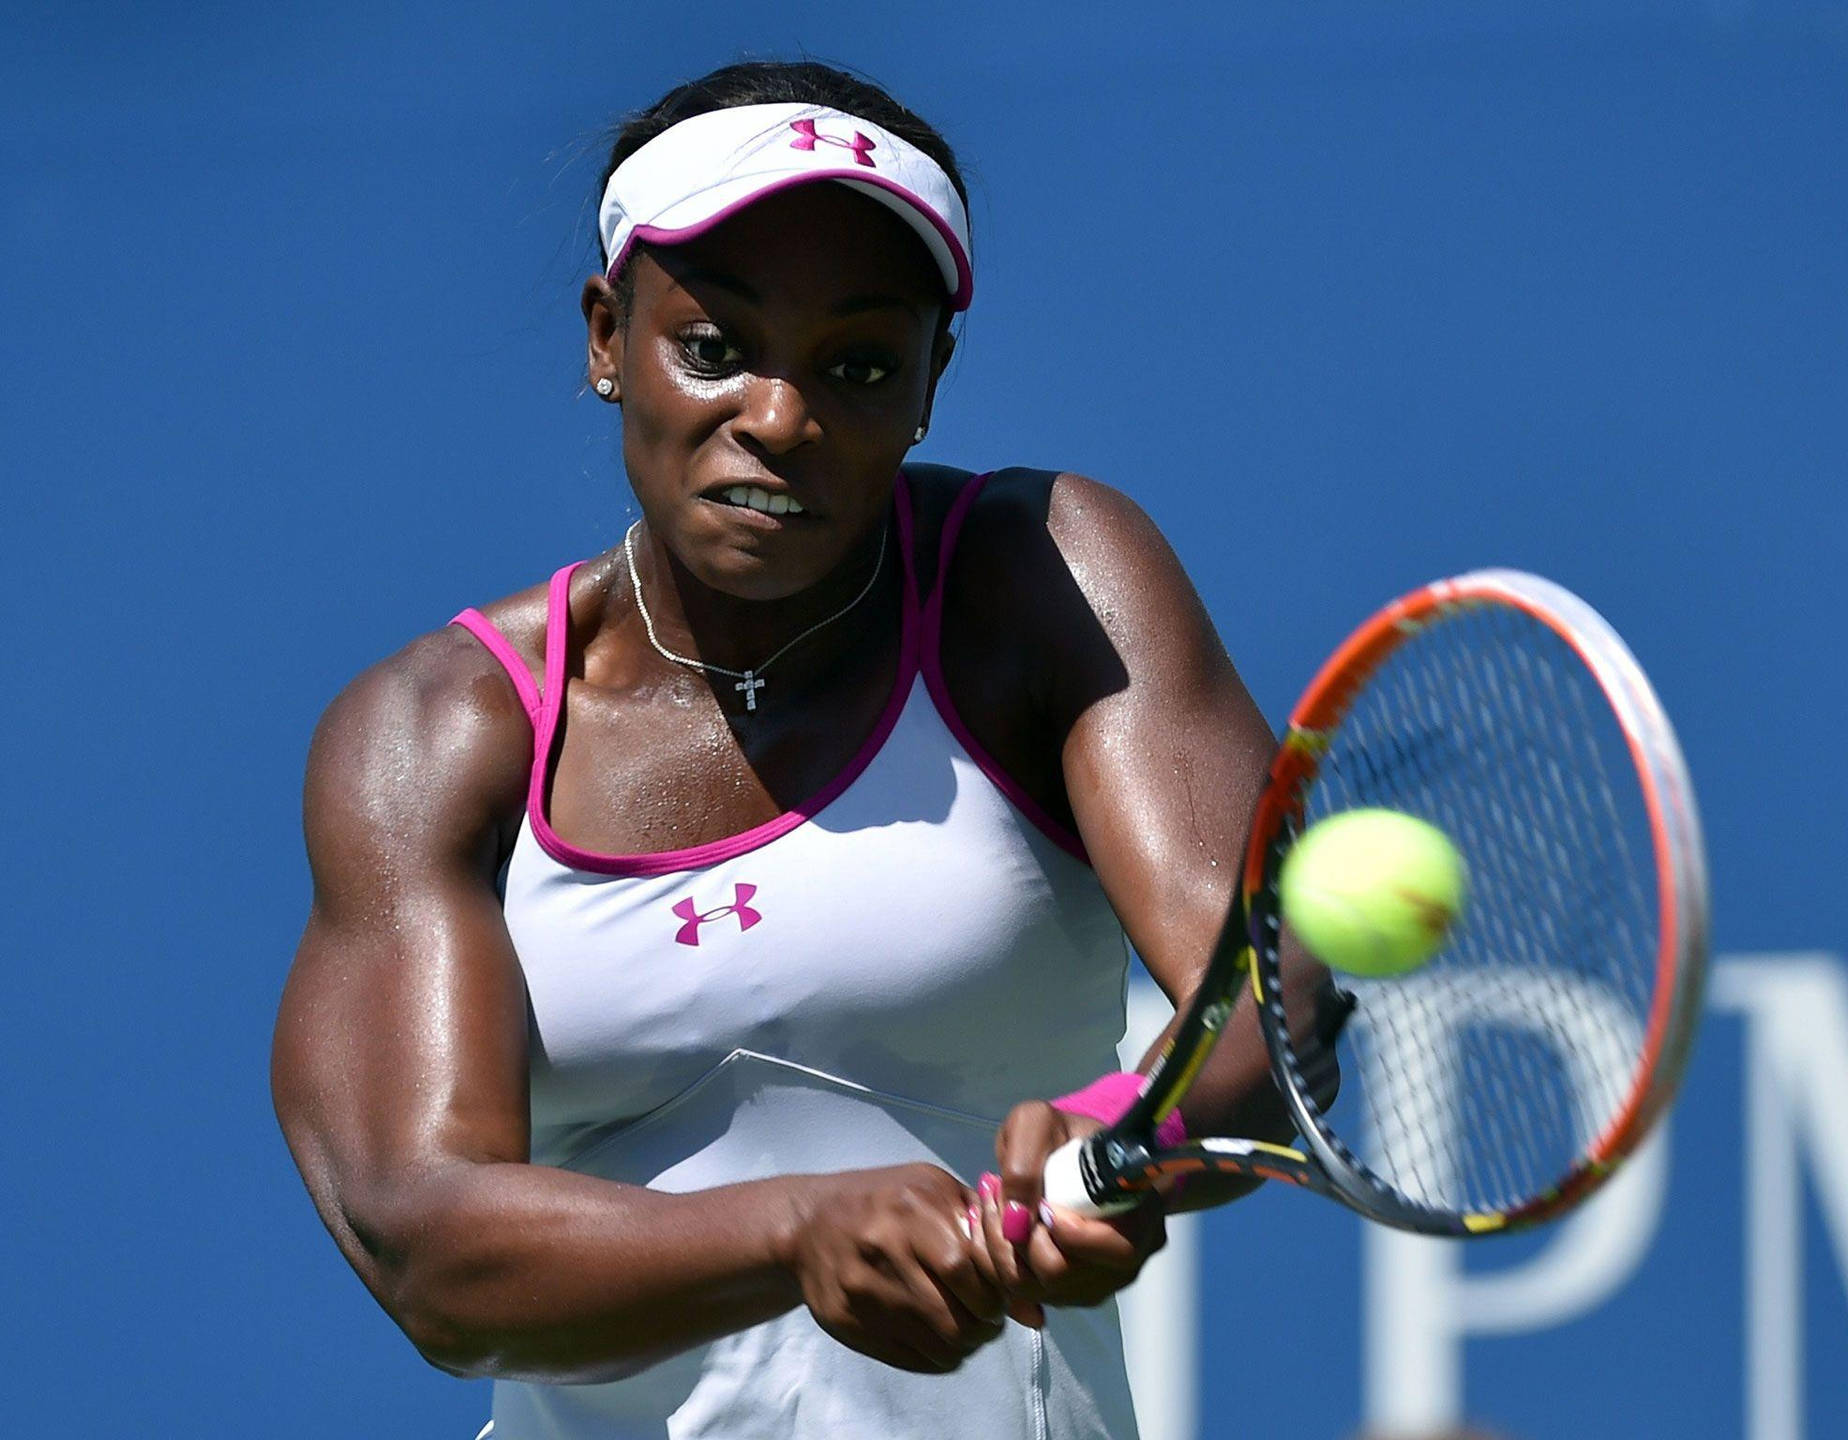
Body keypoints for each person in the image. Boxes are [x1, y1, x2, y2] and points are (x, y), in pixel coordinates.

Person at [273, 59, 1333, 1440]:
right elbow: (425, 1246)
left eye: (859, 365)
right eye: (715, 347)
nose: (781, 417)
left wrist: (1123, 1136)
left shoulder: (1038, 581)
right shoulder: (428, 739)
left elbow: (1269, 993)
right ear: (607, 338)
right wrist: (791, 1234)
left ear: (931, 383)